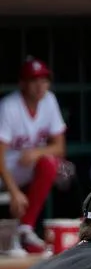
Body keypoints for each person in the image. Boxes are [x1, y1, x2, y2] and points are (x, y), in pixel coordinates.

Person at [0, 57, 70, 257]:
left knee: (52, 164)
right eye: (34, 80)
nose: (40, 86)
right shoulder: (9, 106)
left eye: (44, 80)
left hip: (23, 165)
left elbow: (60, 147)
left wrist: (37, 152)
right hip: (4, 167)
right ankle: (10, 239)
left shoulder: (49, 100)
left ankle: (26, 229)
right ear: (22, 83)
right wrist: (14, 191)